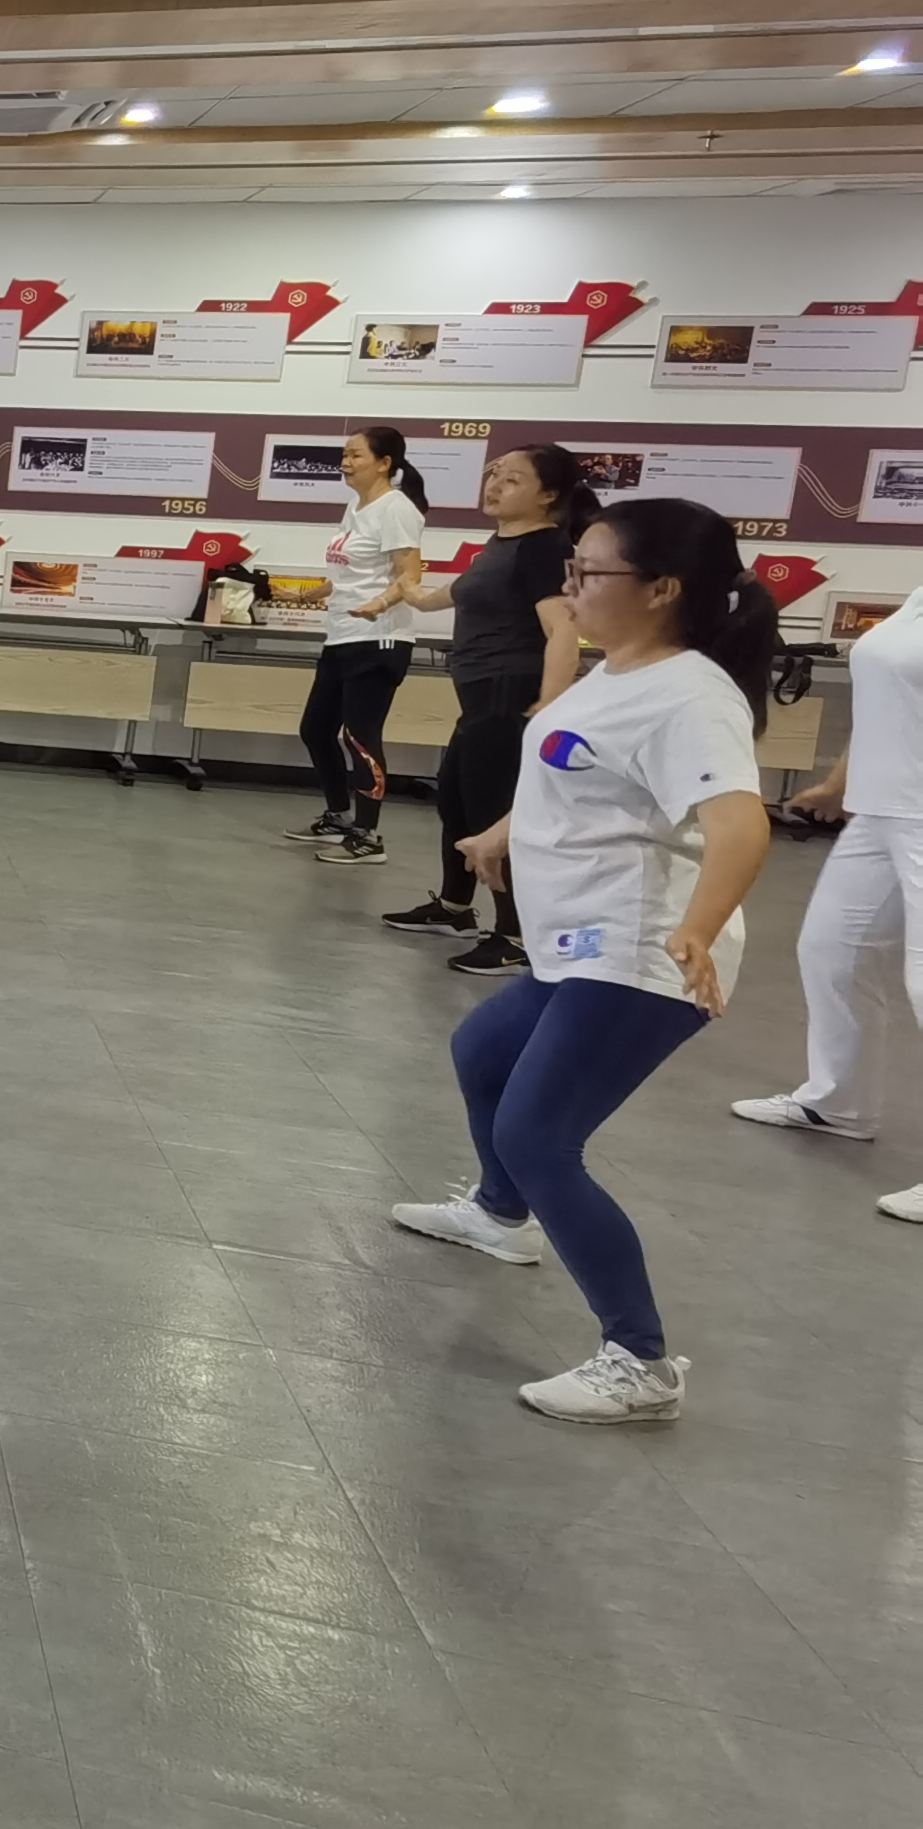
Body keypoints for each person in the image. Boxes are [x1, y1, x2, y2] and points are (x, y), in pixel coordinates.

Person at [390, 499, 776, 1422]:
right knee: (482, 1054)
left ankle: (640, 1361)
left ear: (662, 589)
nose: (571, 584)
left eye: (590, 571)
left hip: (642, 951)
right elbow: (579, 772)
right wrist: (504, 830)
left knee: (539, 1135)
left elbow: (739, 825)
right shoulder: (617, 672)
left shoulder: (692, 696)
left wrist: (698, 928)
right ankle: (499, 1214)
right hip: (580, 940)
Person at [731, 600, 923, 1225]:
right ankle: (840, 1103)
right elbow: (886, 704)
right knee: (834, 950)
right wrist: (841, 782)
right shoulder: (916, 600)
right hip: (881, 807)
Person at [378, 445, 591, 973]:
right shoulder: (502, 545)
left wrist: (549, 705)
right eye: (495, 473)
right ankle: (454, 908)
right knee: (455, 798)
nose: (495, 484)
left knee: (494, 814)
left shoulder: (544, 548)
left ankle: (516, 935)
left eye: (513, 479)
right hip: (480, 698)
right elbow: (447, 595)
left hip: (509, 694)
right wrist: (406, 590)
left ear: (548, 495)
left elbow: (563, 631)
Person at [295, 426, 430, 866]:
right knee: (316, 729)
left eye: (356, 455)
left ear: (385, 463)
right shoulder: (356, 506)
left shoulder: (396, 508)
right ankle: (338, 816)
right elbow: (353, 570)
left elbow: (410, 574)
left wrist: (381, 602)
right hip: (343, 635)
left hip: (379, 638)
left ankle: (368, 836)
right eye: (344, 455)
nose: (346, 463)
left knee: (361, 738)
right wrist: (318, 591)